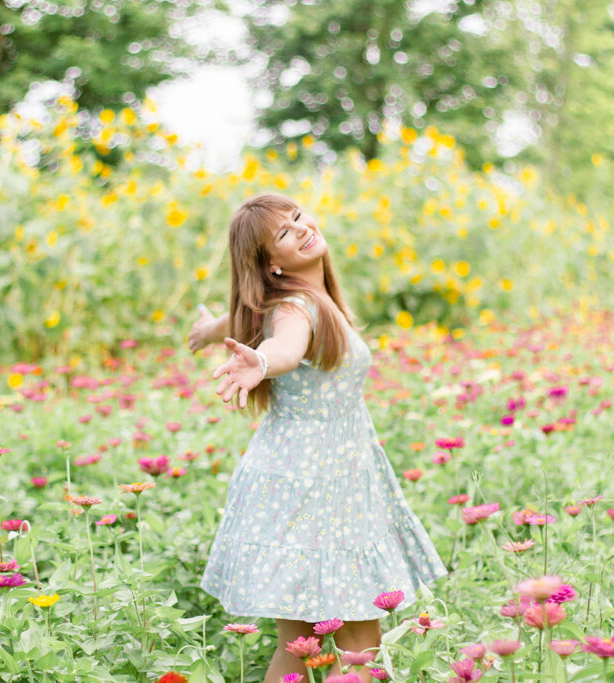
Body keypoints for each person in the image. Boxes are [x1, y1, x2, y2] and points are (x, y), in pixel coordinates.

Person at [189, 193, 447, 681]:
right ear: (272, 266)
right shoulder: (296, 310)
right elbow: (283, 346)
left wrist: (210, 330)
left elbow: (246, 316)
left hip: (313, 477)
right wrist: (261, 362)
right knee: (358, 648)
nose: (302, 228)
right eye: (284, 234)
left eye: (297, 217)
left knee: (302, 644)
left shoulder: (293, 299)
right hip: (318, 485)